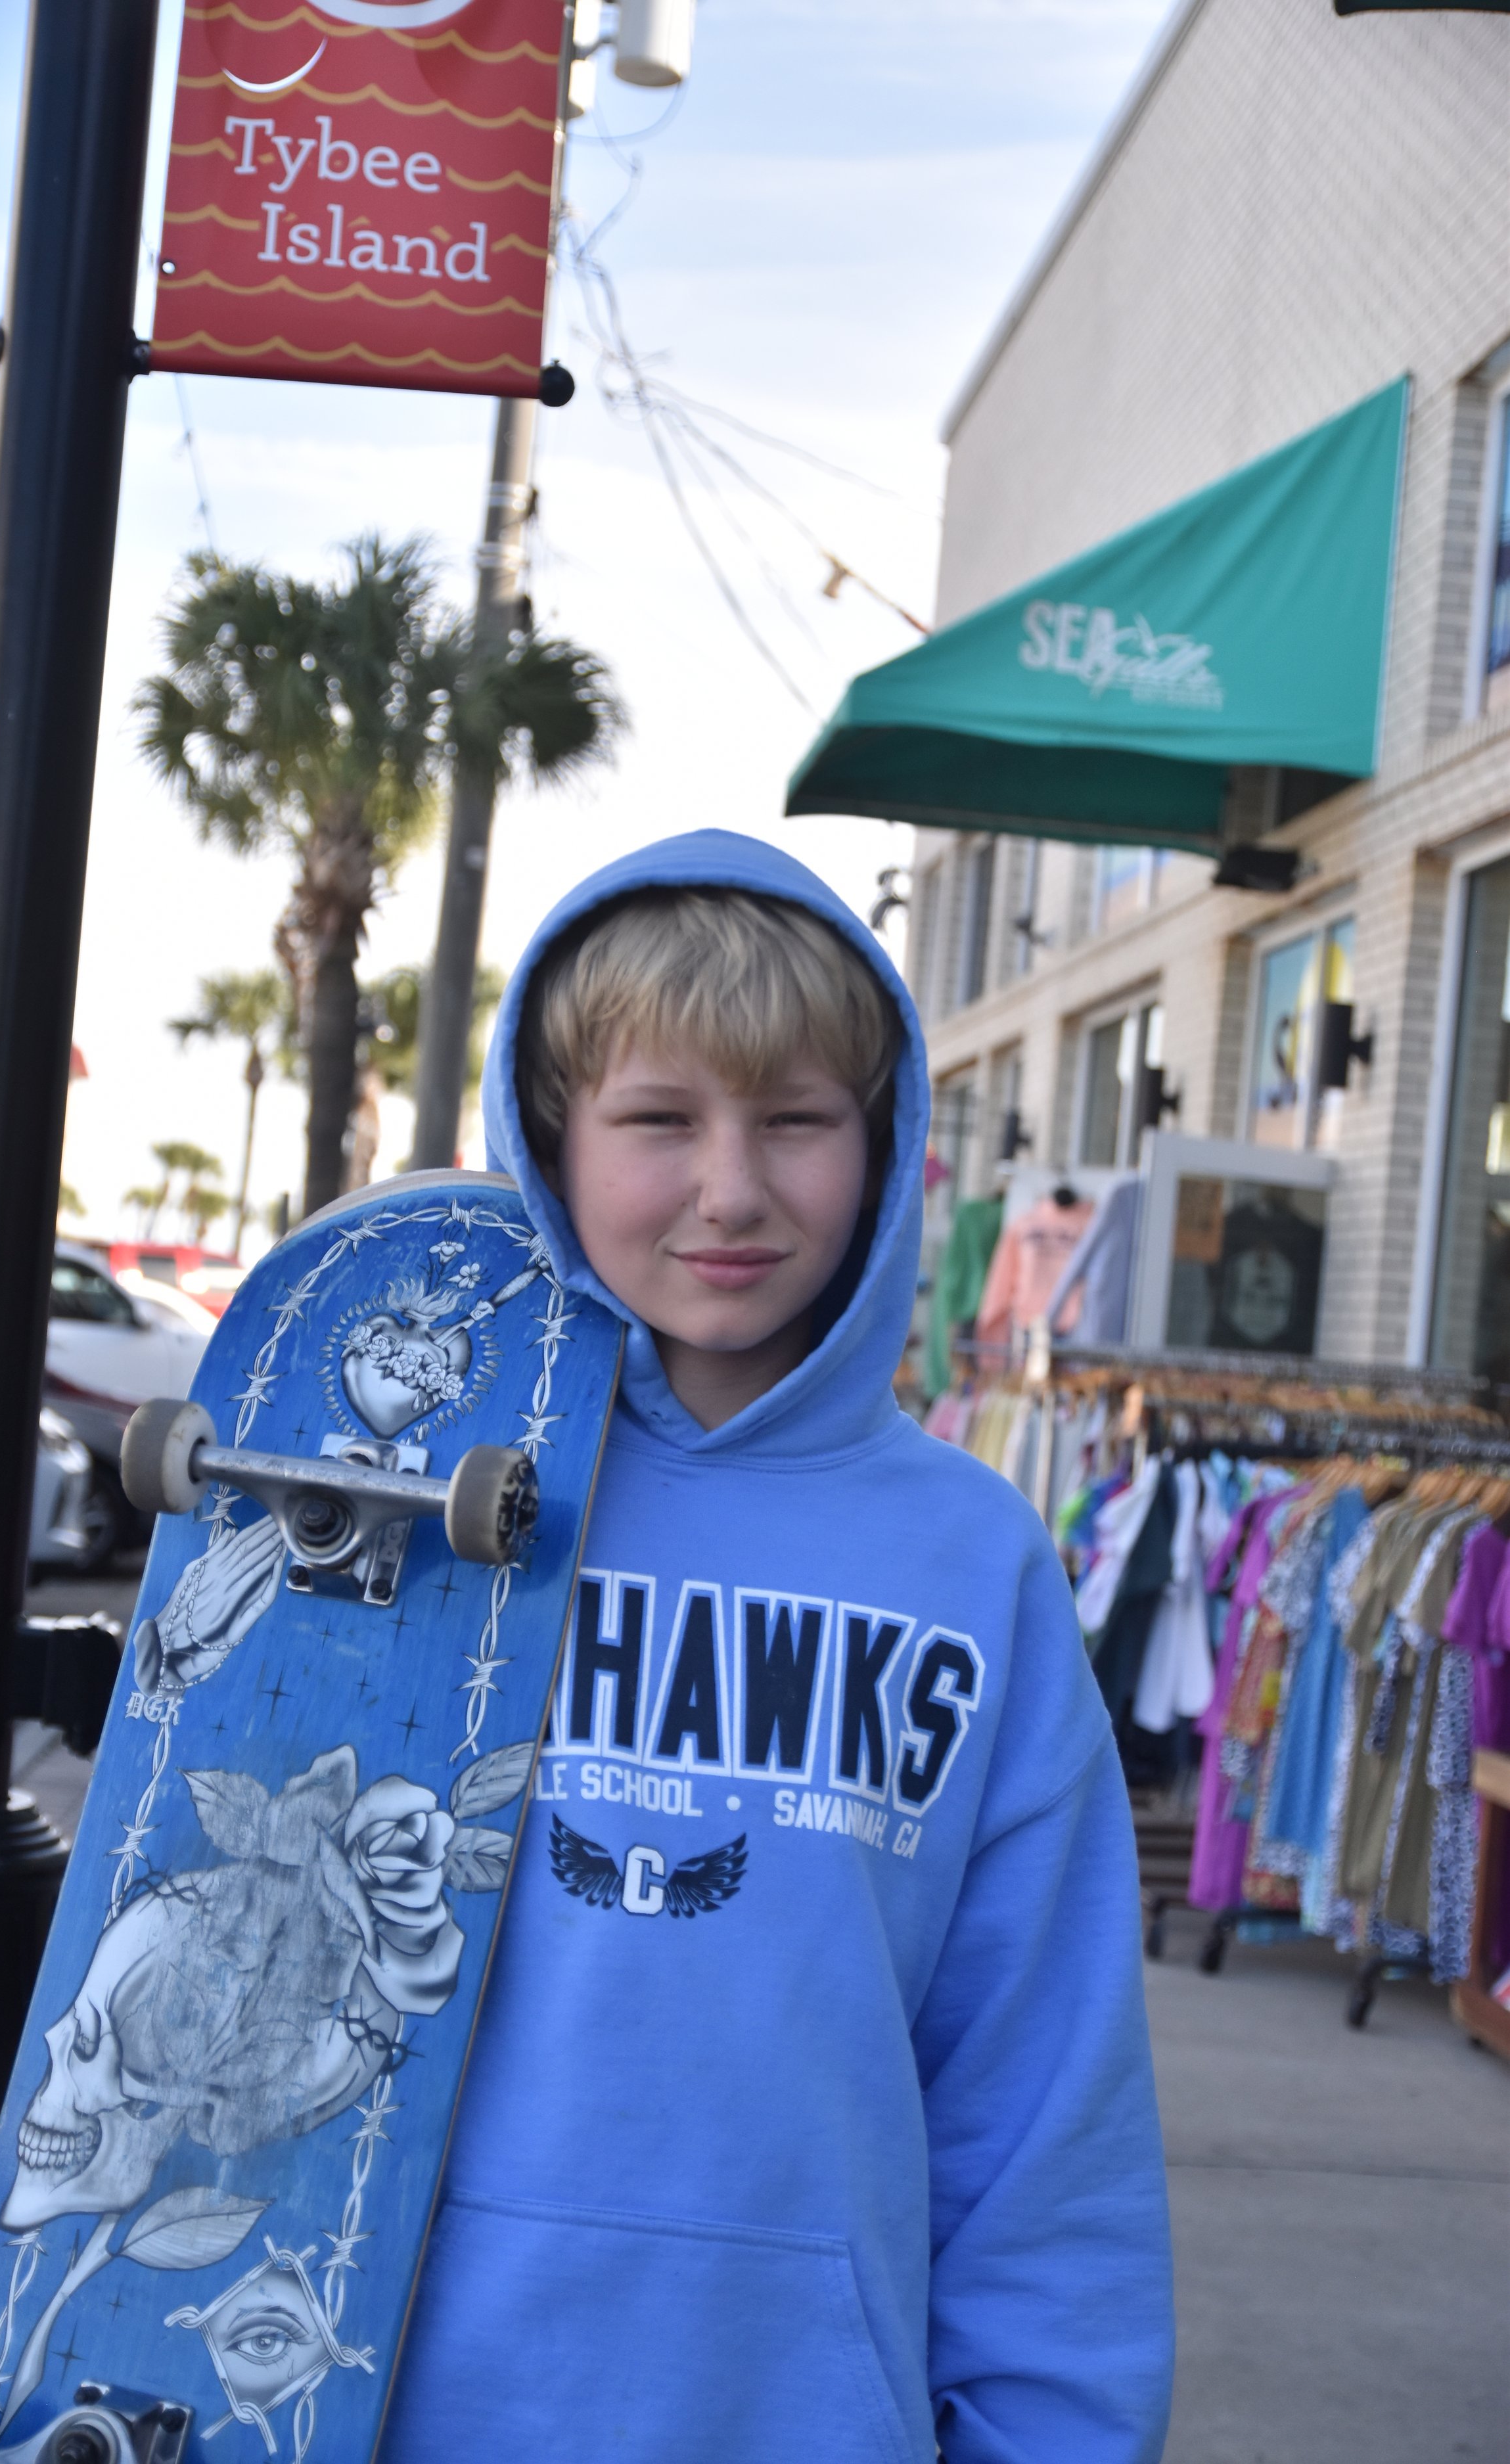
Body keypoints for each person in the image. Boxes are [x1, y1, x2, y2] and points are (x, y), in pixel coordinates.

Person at [385, 830, 1172, 2463]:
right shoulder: (417, 1509)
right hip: (398, 2403)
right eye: (659, 1120)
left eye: (797, 1121)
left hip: (802, 2409)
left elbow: (1037, 2085)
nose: (731, 1188)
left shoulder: (974, 1564)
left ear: (879, 1148)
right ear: (551, 1141)